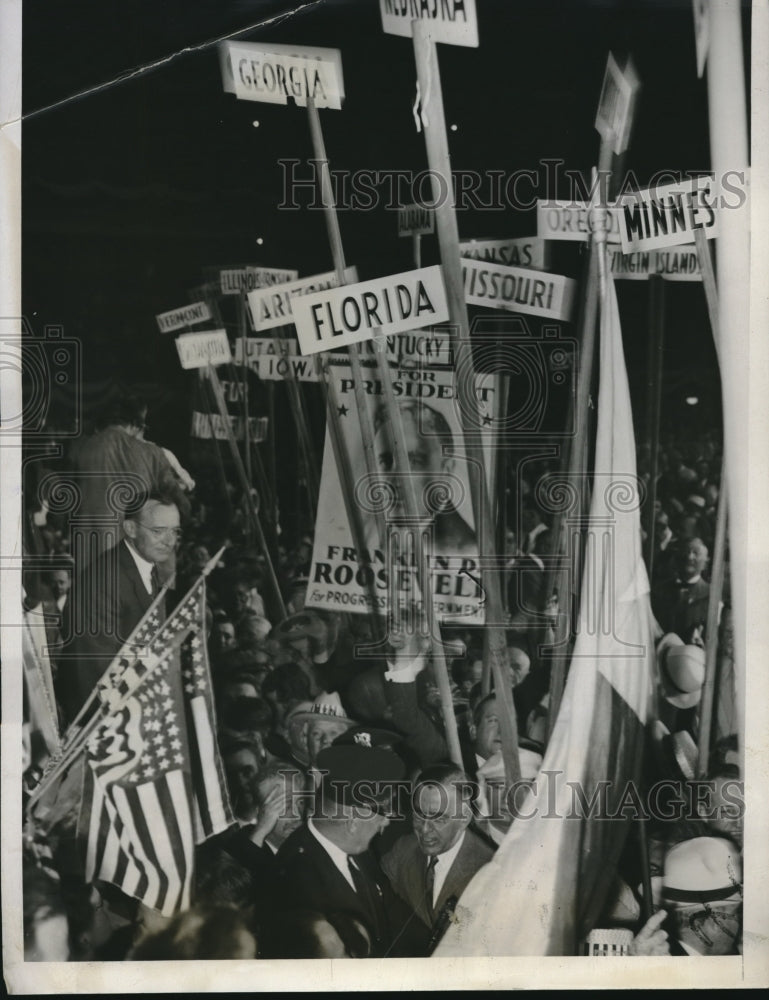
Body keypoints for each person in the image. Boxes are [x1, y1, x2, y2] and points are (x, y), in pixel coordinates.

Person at [277, 743, 429, 957]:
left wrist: (436, 949)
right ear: (353, 822)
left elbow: (391, 909)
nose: (386, 822)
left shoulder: (354, 848)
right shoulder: (296, 879)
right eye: (382, 813)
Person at [57, 493, 180, 726]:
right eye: (158, 531)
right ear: (131, 528)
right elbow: (91, 669)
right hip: (105, 723)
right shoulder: (104, 579)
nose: (169, 540)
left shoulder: (145, 566)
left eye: (174, 531)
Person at [67, 389, 187, 560]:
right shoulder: (152, 453)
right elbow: (181, 504)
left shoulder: (80, 449)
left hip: (87, 553)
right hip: (134, 555)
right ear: (136, 423)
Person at [381, 764, 495, 932]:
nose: (425, 829)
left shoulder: (489, 872)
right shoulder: (403, 850)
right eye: (419, 815)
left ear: (464, 819)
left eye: (439, 819)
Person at [373, 400, 476, 557]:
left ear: (446, 472)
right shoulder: (372, 534)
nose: (395, 480)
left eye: (414, 462)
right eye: (386, 462)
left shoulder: (465, 548)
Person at [651, 537, 711, 643]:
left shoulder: (710, 595)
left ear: (705, 563)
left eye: (696, 553)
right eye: (686, 552)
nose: (689, 557)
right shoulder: (659, 591)